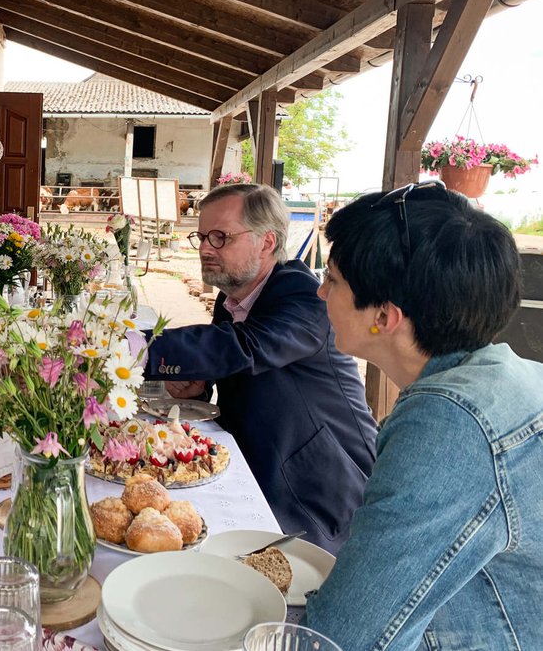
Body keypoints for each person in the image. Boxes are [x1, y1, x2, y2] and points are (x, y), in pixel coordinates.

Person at [304, 181, 542, 650]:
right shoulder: (510, 376)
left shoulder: (449, 425)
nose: (319, 293)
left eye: (332, 280)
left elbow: (343, 639)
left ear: (385, 317)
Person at [144, 184, 376, 553]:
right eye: (202, 236)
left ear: (267, 243)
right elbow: (233, 363)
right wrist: (198, 387)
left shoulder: (303, 296)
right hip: (255, 463)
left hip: (315, 487)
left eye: (220, 237)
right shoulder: (233, 294)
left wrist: (135, 348)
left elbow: (246, 347)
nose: (205, 248)